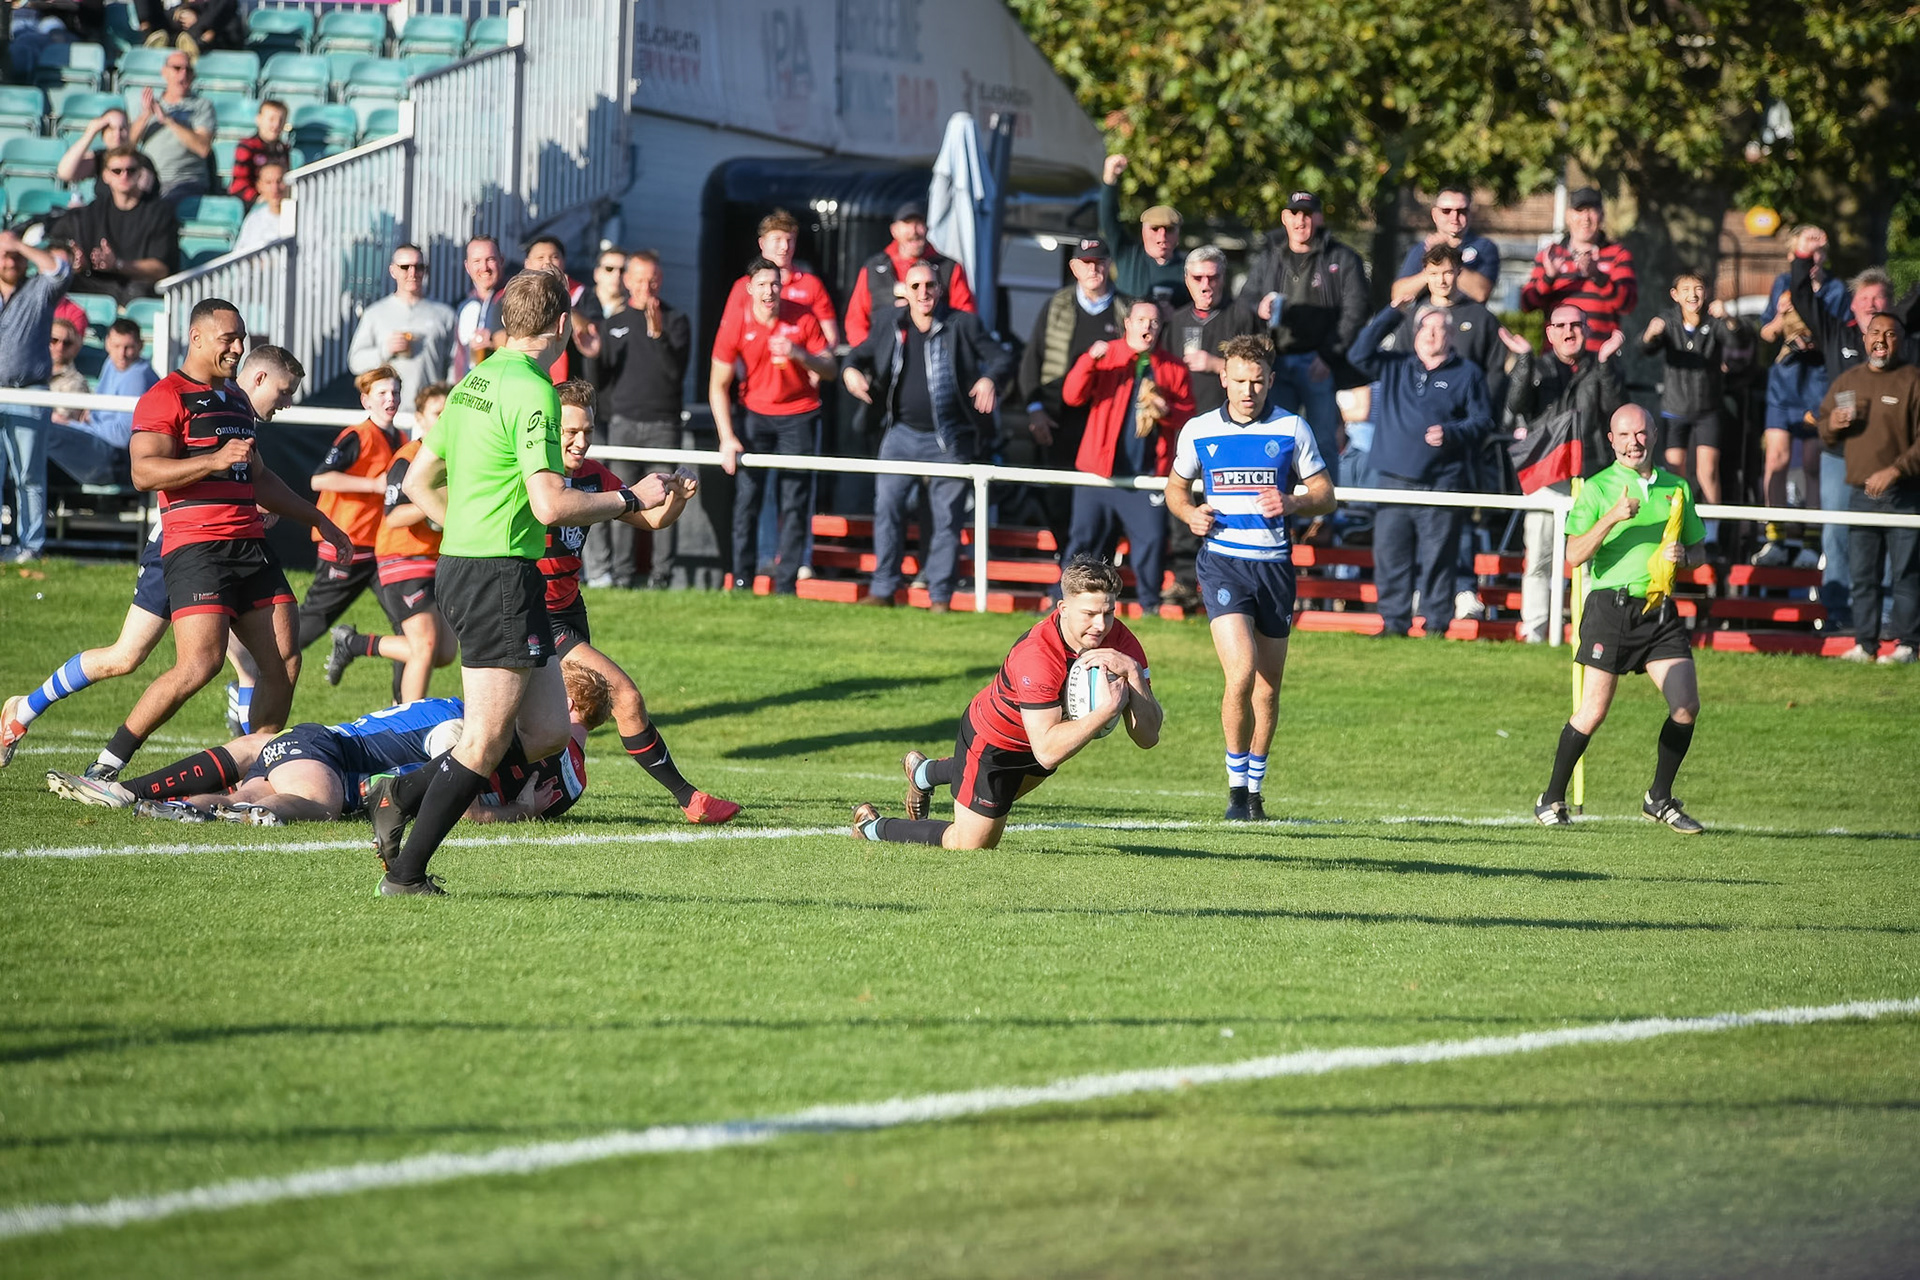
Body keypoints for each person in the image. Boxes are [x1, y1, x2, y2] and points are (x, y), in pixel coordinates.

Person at [366, 270, 664, 896]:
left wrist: (468, 531)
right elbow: (551, 504)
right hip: (497, 575)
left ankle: (398, 793)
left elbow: (418, 483)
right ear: (560, 327)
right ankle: (406, 874)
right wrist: (629, 498)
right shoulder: (534, 390)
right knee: (484, 739)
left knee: (549, 731)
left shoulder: (473, 382)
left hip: (482, 569)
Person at [66, 320, 350, 783]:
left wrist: (317, 519)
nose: (239, 347)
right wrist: (214, 460)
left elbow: (258, 478)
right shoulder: (165, 396)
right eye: (229, 338)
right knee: (200, 664)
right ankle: (108, 763)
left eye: (241, 339)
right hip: (197, 547)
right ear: (196, 337)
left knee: (284, 659)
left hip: (250, 546)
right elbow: (144, 473)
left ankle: (256, 766)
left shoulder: (237, 401)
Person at [2, 344, 293, 768]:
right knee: (127, 657)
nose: (286, 403)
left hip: (228, 553)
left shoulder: (238, 411)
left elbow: (252, 483)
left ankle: (250, 763)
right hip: (179, 550)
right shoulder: (209, 402)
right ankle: (27, 713)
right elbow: (162, 475)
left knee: (258, 661)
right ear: (260, 379)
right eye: (284, 392)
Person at [854, 556, 1162, 849]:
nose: (1100, 625)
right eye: (1089, 614)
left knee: (997, 800)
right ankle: (871, 827)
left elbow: (1148, 738)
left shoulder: (1121, 643)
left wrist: (1134, 674)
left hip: (1047, 739)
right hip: (995, 743)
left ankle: (923, 772)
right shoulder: (1038, 654)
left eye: (1108, 612)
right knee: (971, 843)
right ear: (1063, 608)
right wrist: (1106, 711)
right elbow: (1048, 752)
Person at [540, 379, 739, 822]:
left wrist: (679, 501)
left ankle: (545, 793)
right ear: (548, 428)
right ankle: (690, 800)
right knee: (622, 696)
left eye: (587, 431)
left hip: (569, 609)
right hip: (534, 613)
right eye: (570, 431)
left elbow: (648, 518)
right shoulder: (537, 478)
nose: (580, 440)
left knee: (578, 711)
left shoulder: (593, 475)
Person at [1165, 334, 1334, 820]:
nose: (1248, 390)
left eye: (1257, 382)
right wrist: (1190, 513)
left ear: (1271, 382)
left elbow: (1326, 494)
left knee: (1267, 686)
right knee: (1240, 673)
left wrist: (1295, 501)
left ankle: (1254, 792)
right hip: (1223, 564)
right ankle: (1235, 791)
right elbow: (1176, 490)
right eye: (1239, 380)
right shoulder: (1198, 431)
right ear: (1223, 378)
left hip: (1275, 569)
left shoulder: (1292, 428)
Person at [1535, 404, 1707, 834]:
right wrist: (1612, 517)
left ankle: (1659, 798)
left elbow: (1699, 550)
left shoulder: (1676, 487)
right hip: (1610, 608)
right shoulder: (1597, 489)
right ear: (1611, 440)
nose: (1635, 443)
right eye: (1625, 435)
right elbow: (1574, 555)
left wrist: (1685, 557)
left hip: (1658, 608)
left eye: (1642, 433)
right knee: (1592, 712)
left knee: (1686, 707)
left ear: (1654, 434)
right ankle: (1550, 797)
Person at [843, 259, 1011, 610]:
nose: (924, 293)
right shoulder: (890, 321)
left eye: (930, 286)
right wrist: (850, 372)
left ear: (940, 289)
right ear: (905, 290)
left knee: (946, 517)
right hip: (900, 433)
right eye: (916, 286)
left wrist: (989, 378)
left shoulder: (962, 324)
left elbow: (1001, 359)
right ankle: (883, 588)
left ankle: (939, 597)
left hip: (948, 438)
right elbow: (856, 355)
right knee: (887, 507)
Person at [1347, 301, 1494, 637]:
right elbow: (1358, 354)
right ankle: (1393, 623)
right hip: (1392, 480)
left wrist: (1452, 432)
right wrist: (1392, 313)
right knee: (1390, 557)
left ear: (1451, 334)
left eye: (1437, 327)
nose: (1429, 334)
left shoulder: (1467, 373)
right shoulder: (1396, 365)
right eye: (1423, 327)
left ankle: (1436, 624)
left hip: (1441, 483)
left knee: (1438, 560)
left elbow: (1484, 421)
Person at [708, 255, 836, 594]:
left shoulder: (802, 316)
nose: (770, 291)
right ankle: (741, 579)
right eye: (763, 284)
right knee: (747, 498)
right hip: (755, 415)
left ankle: (786, 584)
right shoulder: (737, 322)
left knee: (794, 499)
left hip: (800, 413)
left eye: (775, 284)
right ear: (750, 289)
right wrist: (727, 437)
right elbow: (717, 384)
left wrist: (799, 353)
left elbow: (830, 368)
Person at [1059, 298, 1194, 615]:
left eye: (1155, 321)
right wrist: (1088, 361)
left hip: (1146, 475)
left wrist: (1167, 411)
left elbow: (1189, 419)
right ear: (1128, 324)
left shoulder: (1173, 367)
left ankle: (1149, 607)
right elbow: (1072, 395)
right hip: (1098, 472)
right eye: (1142, 319)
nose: (1148, 326)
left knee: (1151, 543)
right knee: (1082, 543)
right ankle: (1064, 604)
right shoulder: (1108, 355)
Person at [327, 383, 458, 702]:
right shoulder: (409, 457)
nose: (444, 420)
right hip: (402, 559)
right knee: (424, 646)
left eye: (450, 413)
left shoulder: (456, 458)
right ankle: (409, 723)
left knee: (444, 653)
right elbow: (393, 515)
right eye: (437, 413)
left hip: (437, 562)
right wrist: (431, 504)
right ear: (420, 418)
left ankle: (354, 643)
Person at [1504, 306, 1627, 642]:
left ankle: (1587, 635)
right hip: (1546, 473)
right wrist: (1525, 362)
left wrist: (1604, 364)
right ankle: (1535, 633)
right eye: (1560, 325)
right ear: (1549, 332)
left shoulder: (1601, 364)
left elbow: (1617, 411)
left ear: (1587, 329)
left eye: (1576, 325)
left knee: (1587, 561)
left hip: (1591, 475)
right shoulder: (1538, 366)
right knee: (1539, 558)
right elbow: (1516, 405)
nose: (1568, 332)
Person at [575, 249, 691, 589]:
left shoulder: (676, 320)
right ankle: (622, 575)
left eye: (652, 279)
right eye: (639, 279)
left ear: (661, 280)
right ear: (627, 281)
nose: (646, 287)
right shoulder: (613, 323)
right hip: (624, 423)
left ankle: (661, 576)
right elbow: (601, 382)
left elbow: (675, 373)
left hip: (663, 423)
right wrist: (593, 356)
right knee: (624, 500)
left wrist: (658, 336)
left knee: (670, 497)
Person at [1159, 245, 1264, 607]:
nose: (1206, 285)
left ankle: (1233, 584)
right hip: (1186, 428)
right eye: (1198, 278)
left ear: (1223, 279)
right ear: (1187, 281)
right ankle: (1186, 583)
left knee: (1229, 503)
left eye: (1213, 277)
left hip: (1231, 427)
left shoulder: (1241, 317)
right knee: (1185, 501)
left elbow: (1261, 369)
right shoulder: (1174, 322)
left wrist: (1215, 363)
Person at [1240, 190, 1370, 482]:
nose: (1301, 221)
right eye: (1295, 214)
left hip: (1318, 364)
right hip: (1275, 363)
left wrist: (1328, 355)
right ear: (1285, 218)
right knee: (1277, 441)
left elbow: (1357, 310)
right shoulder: (1269, 256)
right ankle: (1281, 509)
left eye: (1308, 214)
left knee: (1323, 440)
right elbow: (1245, 299)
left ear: (1319, 218)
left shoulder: (1342, 257)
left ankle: (1322, 519)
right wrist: (1257, 307)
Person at [1817, 314, 1919, 665]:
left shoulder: (1913, 380)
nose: (1882, 340)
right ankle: (1865, 644)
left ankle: (1907, 645)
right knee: (1863, 574)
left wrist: (1895, 470)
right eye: (1875, 333)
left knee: (1905, 573)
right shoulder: (1849, 380)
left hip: (1904, 494)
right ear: (1863, 339)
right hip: (1860, 495)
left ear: (1901, 341)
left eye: (1890, 334)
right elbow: (1824, 430)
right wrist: (1831, 423)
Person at [1014, 237, 1129, 547]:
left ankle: (1100, 569)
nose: (1094, 269)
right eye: (1086, 263)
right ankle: (1067, 568)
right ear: (1074, 267)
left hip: (1107, 425)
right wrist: (1035, 409)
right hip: (1058, 422)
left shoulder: (1126, 311)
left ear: (1109, 265)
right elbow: (1031, 361)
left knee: (1107, 502)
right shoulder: (1056, 305)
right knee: (1058, 498)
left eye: (1100, 262)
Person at [293, 366, 405, 653]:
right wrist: (373, 485)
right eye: (382, 393)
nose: (390, 398)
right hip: (345, 545)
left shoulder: (402, 439)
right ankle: (252, 676)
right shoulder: (357, 436)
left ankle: (404, 697)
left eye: (395, 392)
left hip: (381, 550)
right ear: (366, 401)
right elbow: (319, 479)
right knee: (312, 623)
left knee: (409, 629)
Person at [1756, 227, 1845, 583]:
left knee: (1811, 463)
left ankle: (1809, 542)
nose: (1813, 259)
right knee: (1775, 459)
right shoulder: (1782, 283)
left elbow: (1838, 336)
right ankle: (1775, 538)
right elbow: (1766, 333)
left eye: (1819, 251)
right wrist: (1780, 316)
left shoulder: (1837, 289)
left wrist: (1814, 338)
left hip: (1817, 384)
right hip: (1784, 381)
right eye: (1807, 251)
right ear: (1794, 254)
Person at [1639, 270, 1748, 534]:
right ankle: (1675, 525)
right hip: (1675, 410)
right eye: (1686, 289)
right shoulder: (1668, 321)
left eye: (1698, 288)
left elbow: (1738, 341)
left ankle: (1712, 533)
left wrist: (1731, 318)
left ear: (1706, 292)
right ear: (1675, 295)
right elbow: (1646, 348)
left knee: (1707, 471)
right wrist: (1650, 334)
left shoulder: (1716, 321)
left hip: (1708, 410)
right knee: (1674, 470)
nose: (1693, 295)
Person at [0, 228, 69, 563]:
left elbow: (60, 270)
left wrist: (20, 244)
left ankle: (31, 545)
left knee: (28, 474)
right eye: (3, 254)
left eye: (14, 255)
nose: (9, 259)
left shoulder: (37, 290)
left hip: (29, 392)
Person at [51, 143, 180, 303]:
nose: (124, 176)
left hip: (135, 288)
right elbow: (58, 246)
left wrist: (117, 265)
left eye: (131, 170)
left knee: (137, 291)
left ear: (140, 173)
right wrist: (76, 262)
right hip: (97, 284)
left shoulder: (159, 213)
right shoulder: (92, 212)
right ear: (105, 175)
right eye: (117, 171)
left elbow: (161, 269)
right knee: (60, 282)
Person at [1520, 186, 1637, 358]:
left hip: (1600, 358)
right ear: (1568, 216)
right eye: (1579, 210)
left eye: (1592, 211)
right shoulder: (1551, 255)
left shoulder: (1617, 254)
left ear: (1602, 215)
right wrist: (1549, 278)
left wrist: (1598, 277)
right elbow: (1527, 305)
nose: (1586, 218)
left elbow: (1628, 304)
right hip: (1557, 360)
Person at [843, 201, 975, 347]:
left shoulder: (948, 268)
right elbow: (856, 319)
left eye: (918, 223)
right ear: (894, 230)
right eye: (907, 223)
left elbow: (966, 316)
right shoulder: (874, 268)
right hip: (883, 355)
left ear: (927, 228)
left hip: (935, 350)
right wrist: (868, 354)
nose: (913, 230)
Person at [347, 244, 458, 410]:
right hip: (387, 412)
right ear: (393, 271)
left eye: (419, 267)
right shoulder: (375, 314)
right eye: (405, 267)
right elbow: (355, 362)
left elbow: (456, 363)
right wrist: (385, 350)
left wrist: (448, 401)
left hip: (431, 414)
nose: (412, 273)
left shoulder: (445, 315)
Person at [721, 210, 841, 346]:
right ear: (762, 244)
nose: (784, 247)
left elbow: (831, 338)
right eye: (777, 240)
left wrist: (811, 362)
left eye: (790, 240)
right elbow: (727, 340)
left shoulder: (811, 285)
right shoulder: (743, 286)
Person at [1097, 153, 1187, 307]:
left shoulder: (1188, 269)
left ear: (1178, 235)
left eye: (1169, 229)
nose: (1162, 235)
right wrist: (1110, 179)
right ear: (1143, 231)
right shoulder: (1128, 254)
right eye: (1155, 229)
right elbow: (1108, 220)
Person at [1391, 184, 1500, 306]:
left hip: (1465, 319)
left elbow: (1481, 294)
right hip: (1429, 320)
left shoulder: (1484, 247)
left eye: (1461, 211)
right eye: (1446, 211)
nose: (1454, 217)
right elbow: (1398, 296)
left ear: (1470, 214)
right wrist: (1432, 269)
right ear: (1435, 214)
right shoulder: (1422, 248)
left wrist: (1448, 253)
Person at [130, 51, 215, 203]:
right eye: (177, 68)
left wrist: (169, 121)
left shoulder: (202, 106)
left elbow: (203, 148)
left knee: (160, 208)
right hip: (149, 178)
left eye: (188, 70)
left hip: (186, 181)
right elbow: (127, 146)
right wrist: (145, 116)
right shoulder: (148, 106)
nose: (183, 74)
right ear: (164, 72)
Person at [521, 236, 585, 382]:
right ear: (527, 263)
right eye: (540, 257)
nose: (547, 263)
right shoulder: (515, 297)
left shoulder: (582, 295)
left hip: (572, 379)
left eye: (554, 257)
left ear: (564, 261)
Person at [54, 106, 149, 192]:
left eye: (122, 128)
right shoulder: (100, 158)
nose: (117, 135)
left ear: (128, 131)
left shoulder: (141, 161)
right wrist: (90, 134)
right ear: (102, 133)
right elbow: (64, 173)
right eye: (111, 129)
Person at [455, 235, 505, 377]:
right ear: (467, 266)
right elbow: (459, 359)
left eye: (490, 259)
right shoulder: (463, 306)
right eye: (477, 261)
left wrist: (496, 342)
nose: (484, 268)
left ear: (501, 261)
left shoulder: (516, 299)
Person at [227, 100, 289, 208]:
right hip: (250, 205)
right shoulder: (247, 147)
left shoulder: (283, 149)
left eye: (281, 120)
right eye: (271, 119)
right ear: (259, 119)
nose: (276, 124)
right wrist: (257, 198)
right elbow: (238, 184)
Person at [135, 0, 244, 53]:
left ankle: (197, 39)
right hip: (179, 30)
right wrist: (182, 12)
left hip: (210, 35)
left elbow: (224, 9)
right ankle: (153, 33)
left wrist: (199, 22)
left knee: (216, 20)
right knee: (162, 20)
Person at [229, 161, 290, 256]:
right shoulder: (254, 219)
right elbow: (239, 255)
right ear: (260, 186)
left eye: (279, 181)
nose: (275, 188)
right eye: (268, 183)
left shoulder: (303, 218)